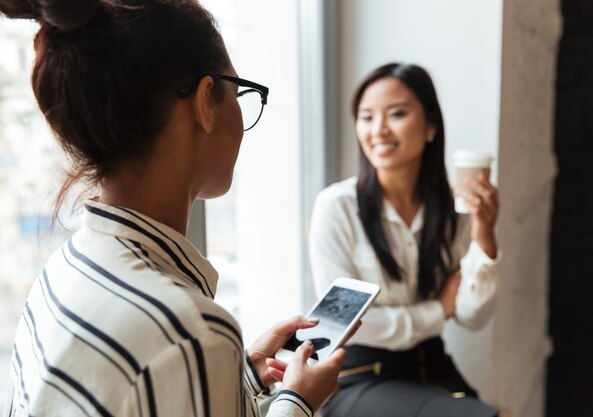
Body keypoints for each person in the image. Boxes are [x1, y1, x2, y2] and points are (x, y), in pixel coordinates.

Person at [0, 1, 346, 416]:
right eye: (237, 93)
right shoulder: (187, 331)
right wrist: (298, 401)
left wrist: (237, 375)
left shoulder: (65, 269)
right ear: (204, 101)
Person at [308, 63, 501, 417]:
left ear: (430, 126)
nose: (378, 129)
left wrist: (484, 236)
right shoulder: (337, 208)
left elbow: (473, 317)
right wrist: (438, 309)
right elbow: (345, 326)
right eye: (366, 117)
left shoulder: (454, 213)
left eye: (396, 114)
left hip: (431, 366)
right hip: (355, 375)